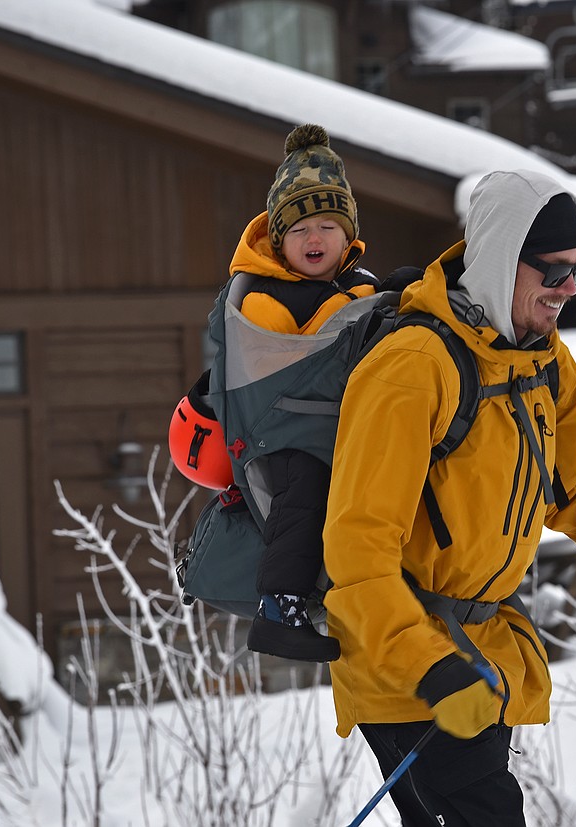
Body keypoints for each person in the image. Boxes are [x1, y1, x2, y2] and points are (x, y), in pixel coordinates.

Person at [321, 168, 576, 824]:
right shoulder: (411, 370)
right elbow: (357, 552)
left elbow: (572, 488)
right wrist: (429, 667)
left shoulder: (542, 361)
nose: (571, 288)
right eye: (553, 271)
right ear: (499, 259)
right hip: (408, 666)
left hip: (482, 658)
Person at [234, 123, 377, 662]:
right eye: (299, 231)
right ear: (278, 240)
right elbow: (294, 355)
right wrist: (373, 304)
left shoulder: (358, 283)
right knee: (305, 496)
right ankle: (279, 607)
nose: (313, 240)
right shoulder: (265, 298)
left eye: (326, 226)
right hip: (284, 434)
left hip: (342, 425)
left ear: (348, 236)